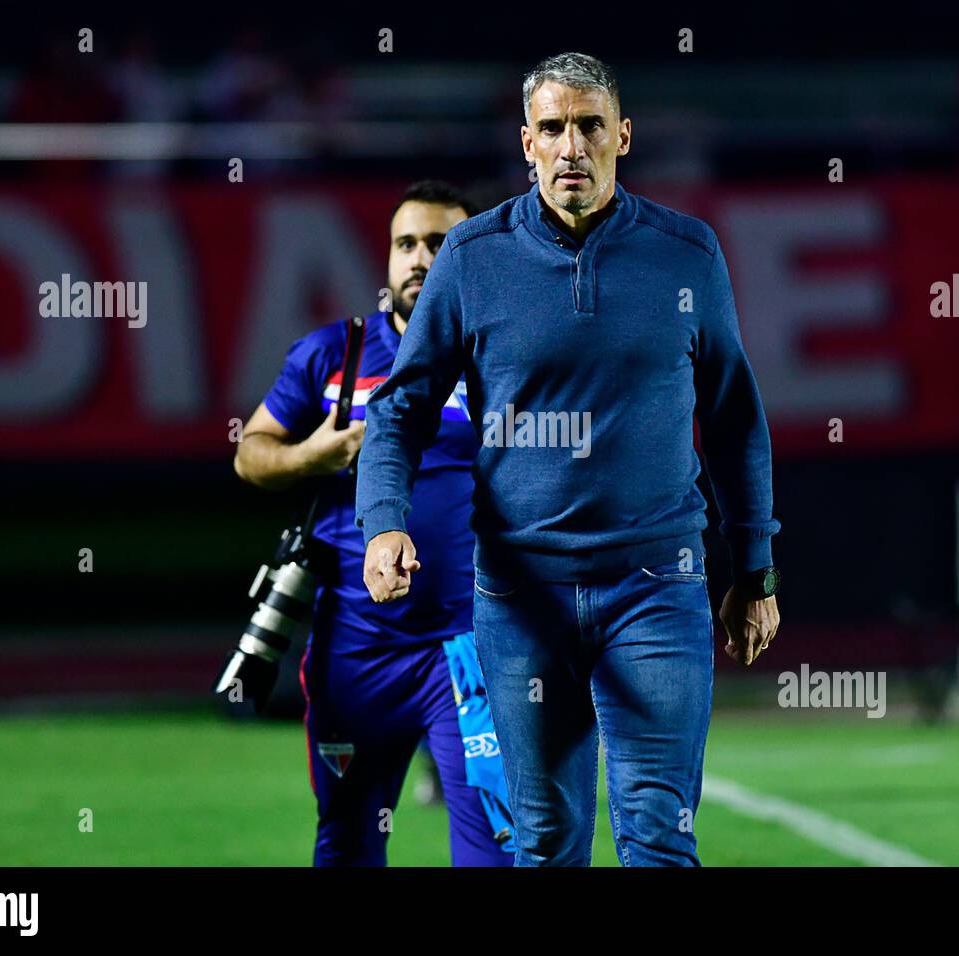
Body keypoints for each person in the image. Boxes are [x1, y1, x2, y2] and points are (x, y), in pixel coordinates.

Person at [356, 53, 781, 867]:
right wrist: (383, 523)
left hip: (658, 587)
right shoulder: (472, 258)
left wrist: (754, 567)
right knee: (548, 842)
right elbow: (401, 405)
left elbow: (733, 417)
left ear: (622, 135)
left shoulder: (686, 253)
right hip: (520, 600)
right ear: (527, 143)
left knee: (659, 836)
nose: (572, 146)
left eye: (590, 125)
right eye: (553, 128)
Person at [234, 180, 513, 867]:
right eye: (406, 244)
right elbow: (250, 453)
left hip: (470, 650)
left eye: (442, 244)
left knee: (495, 847)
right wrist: (313, 453)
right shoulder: (337, 355)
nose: (420, 258)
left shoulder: (504, 360)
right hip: (355, 652)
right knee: (350, 841)